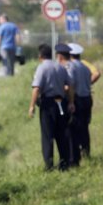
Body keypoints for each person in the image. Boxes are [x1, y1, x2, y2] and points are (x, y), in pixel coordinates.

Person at [28, 43, 75, 171]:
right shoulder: (60, 67)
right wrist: (71, 102)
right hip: (61, 103)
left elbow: (36, 88)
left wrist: (31, 106)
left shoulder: (42, 68)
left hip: (48, 105)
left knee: (47, 135)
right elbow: (70, 86)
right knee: (61, 134)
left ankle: (49, 165)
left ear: (40, 56)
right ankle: (64, 164)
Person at [65, 42, 101, 164]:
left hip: (78, 99)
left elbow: (71, 84)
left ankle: (75, 155)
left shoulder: (71, 66)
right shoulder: (85, 68)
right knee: (85, 127)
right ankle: (86, 152)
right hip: (87, 99)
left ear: (69, 55)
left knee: (74, 128)